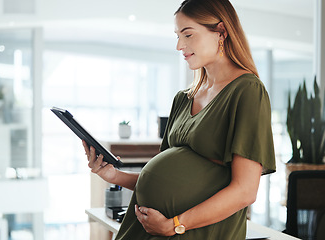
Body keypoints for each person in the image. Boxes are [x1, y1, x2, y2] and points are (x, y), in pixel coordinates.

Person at [83, 0, 276, 239]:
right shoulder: (184, 98)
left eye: (188, 35)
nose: (179, 45)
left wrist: (176, 224)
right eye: (177, 36)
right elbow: (162, 176)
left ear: (222, 32)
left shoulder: (247, 91)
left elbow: (245, 191)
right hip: (147, 228)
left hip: (194, 233)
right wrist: (113, 176)